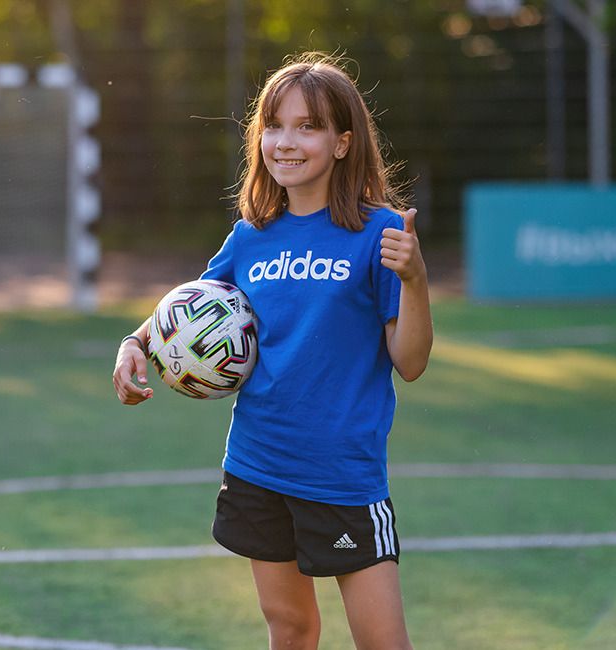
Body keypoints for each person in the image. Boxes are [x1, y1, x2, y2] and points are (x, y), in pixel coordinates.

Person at [112, 51, 432, 650]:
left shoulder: (380, 234)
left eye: (307, 126)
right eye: (274, 126)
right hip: (259, 465)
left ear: (342, 143)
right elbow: (188, 310)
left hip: (342, 476)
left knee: (383, 643)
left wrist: (414, 280)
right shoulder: (252, 233)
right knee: (290, 627)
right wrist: (135, 342)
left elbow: (410, 363)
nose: (285, 142)